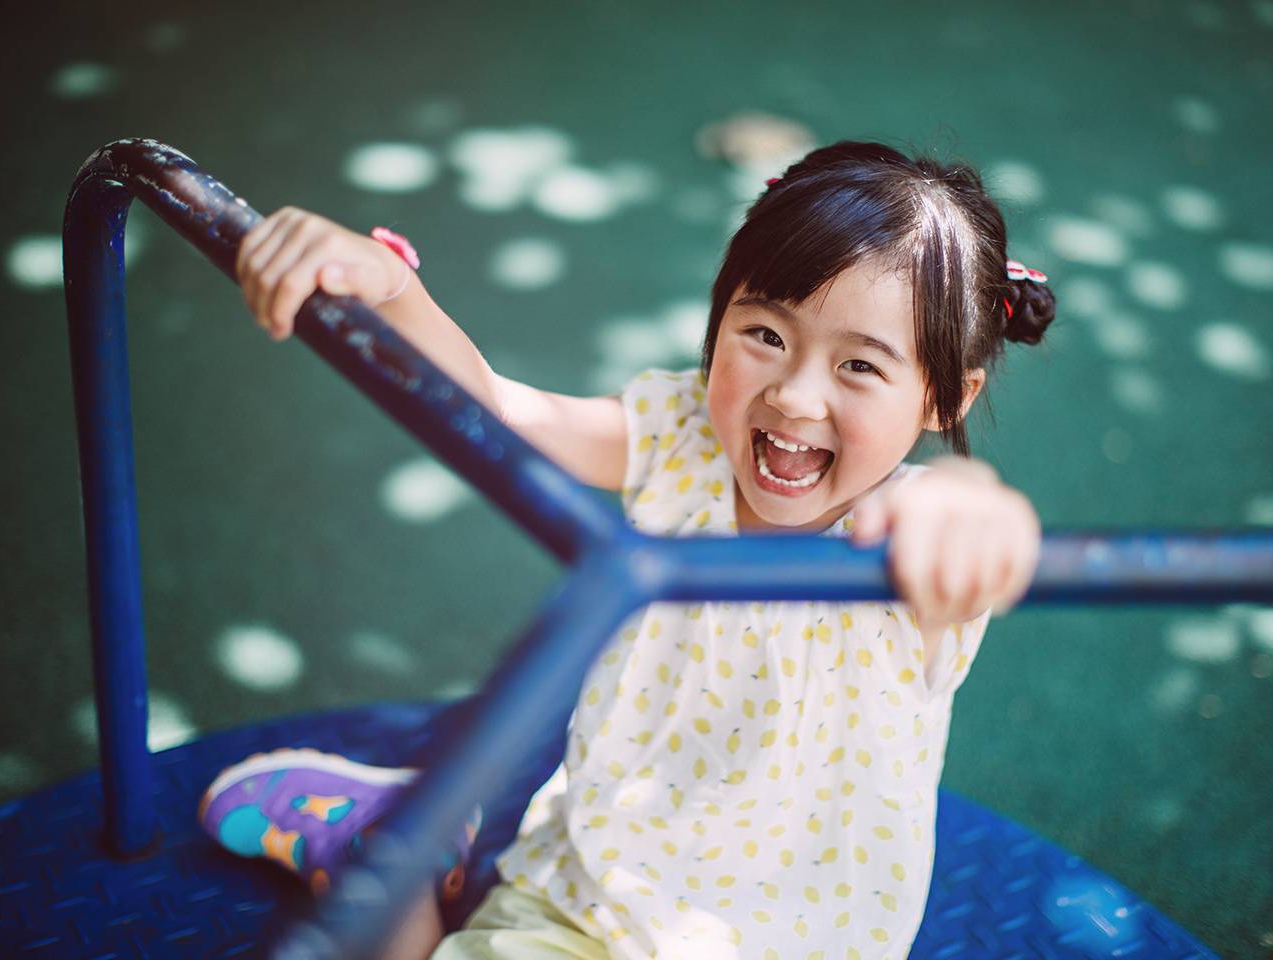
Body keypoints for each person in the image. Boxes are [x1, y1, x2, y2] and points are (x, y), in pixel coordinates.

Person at [201, 139, 1054, 959]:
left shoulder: (912, 554)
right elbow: (499, 410)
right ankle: (398, 858)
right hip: (594, 900)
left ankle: (398, 848)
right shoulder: (684, 437)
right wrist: (390, 290)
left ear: (946, 394)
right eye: (765, 335)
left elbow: (967, 531)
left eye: (860, 367)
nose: (794, 395)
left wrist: (967, 506)